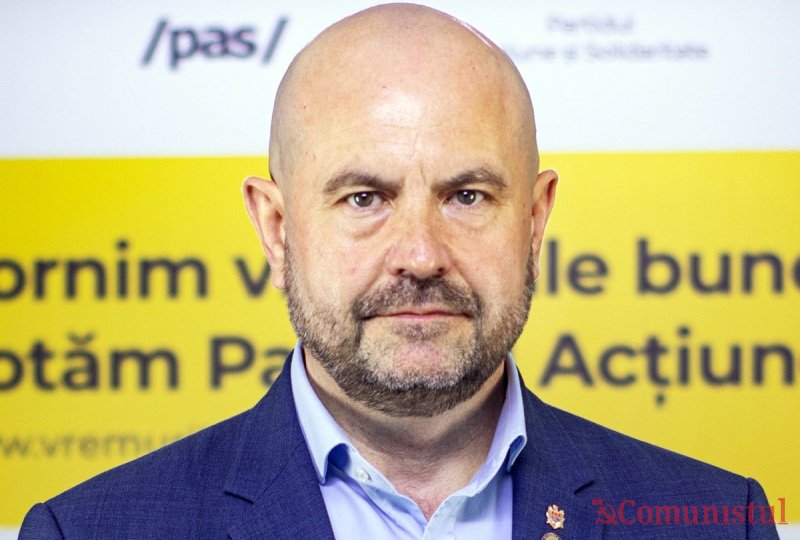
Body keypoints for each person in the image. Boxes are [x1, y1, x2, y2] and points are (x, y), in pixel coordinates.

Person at [20, 4, 779, 539]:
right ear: (277, 230)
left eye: (467, 195)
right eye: (364, 198)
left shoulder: (719, 522)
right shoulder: (86, 532)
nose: (420, 255)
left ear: (535, 221)